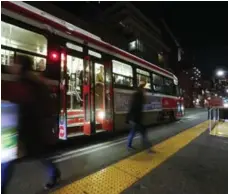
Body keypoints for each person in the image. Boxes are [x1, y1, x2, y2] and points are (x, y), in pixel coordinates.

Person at [2, 55, 61, 194]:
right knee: (12, 161)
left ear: (21, 66)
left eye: (14, 64)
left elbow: (27, 106)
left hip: (30, 129)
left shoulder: (28, 84)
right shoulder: (31, 81)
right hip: (26, 129)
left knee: (10, 162)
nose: (11, 66)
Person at [126, 80, 151, 152]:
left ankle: (129, 146)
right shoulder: (139, 98)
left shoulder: (136, 96)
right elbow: (141, 105)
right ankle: (147, 148)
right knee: (143, 133)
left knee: (133, 132)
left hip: (133, 119)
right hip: (136, 120)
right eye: (143, 90)